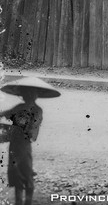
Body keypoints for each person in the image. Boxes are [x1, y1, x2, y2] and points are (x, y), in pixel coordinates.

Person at [0, 77, 60, 205]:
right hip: (15, 144)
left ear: (36, 95)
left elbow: (30, 130)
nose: (29, 96)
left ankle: (27, 202)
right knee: (17, 175)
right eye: (26, 93)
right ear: (22, 95)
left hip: (23, 145)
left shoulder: (36, 111)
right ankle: (18, 202)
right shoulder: (19, 108)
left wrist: (9, 129)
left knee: (26, 173)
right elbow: (6, 114)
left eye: (32, 93)